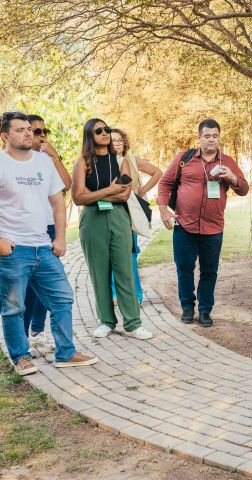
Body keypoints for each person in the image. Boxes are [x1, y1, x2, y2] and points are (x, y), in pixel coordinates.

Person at [0, 111, 97, 375]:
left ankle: (66, 352)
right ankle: (21, 357)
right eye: (20, 130)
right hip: (13, 250)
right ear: (5, 136)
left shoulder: (42, 162)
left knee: (62, 299)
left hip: (44, 246)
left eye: (29, 129)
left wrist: (61, 238)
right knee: (13, 307)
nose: (28, 133)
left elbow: (57, 202)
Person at [157, 119, 249, 326]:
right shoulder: (184, 158)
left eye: (215, 136)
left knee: (209, 271)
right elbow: (165, 183)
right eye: (207, 136)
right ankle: (187, 307)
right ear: (199, 137)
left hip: (213, 227)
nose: (211, 140)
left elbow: (244, 190)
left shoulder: (227, 161)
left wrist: (233, 177)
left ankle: (206, 310)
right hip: (185, 225)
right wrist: (163, 209)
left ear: (219, 138)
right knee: (184, 268)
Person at [71, 118, 153, 340]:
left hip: (118, 216)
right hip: (92, 220)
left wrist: (94, 193)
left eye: (107, 129)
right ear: (90, 136)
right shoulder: (82, 162)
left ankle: (133, 323)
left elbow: (124, 194)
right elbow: (78, 197)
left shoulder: (121, 161)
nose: (105, 133)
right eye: (99, 131)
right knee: (99, 273)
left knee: (125, 270)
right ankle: (106, 321)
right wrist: (109, 189)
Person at [22, 114, 72, 347]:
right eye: (36, 131)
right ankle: (21, 339)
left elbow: (66, 185)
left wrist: (54, 156)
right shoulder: (15, 161)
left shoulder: (46, 160)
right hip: (25, 231)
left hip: (49, 228)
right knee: (25, 290)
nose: (42, 136)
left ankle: (38, 332)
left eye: (45, 132)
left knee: (46, 285)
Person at [109, 128, 162, 305]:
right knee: (110, 255)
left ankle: (136, 295)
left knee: (130, 254)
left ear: (124, 143)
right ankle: (115, 294)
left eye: (119, 140)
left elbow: (157, 172)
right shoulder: (104, 162)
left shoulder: (131, 160)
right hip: (109, 211)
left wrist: (142, 190)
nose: (116, 143)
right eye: (112, 140)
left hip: (130, 211)